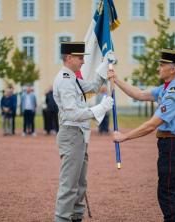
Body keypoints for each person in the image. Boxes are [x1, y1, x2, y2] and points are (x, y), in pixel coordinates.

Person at [110, 49, 175, 222]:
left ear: (173, 69)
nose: (158, 68)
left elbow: (152, 124)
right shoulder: (166, 88)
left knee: (166, 191)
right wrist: (116, 79)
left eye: (162, 65)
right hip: (172, 144)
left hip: (172, 144)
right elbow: (139, 94)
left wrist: (124, 137)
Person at [53, 41, 113, 222]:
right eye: (80, 58)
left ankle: (76, 216)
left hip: (77, 135)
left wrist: (104, 66)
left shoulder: (71, 77)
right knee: (69, 184)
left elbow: (93, 87)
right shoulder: (64, 80)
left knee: (80, 183)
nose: (83, 62)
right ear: (69, 57)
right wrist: (98, 110)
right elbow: (72, 112)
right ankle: (63, 218)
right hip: (71, 134)